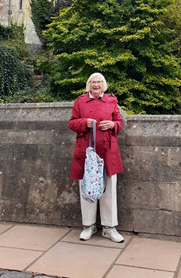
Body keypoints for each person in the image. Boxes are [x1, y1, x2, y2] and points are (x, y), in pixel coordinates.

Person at [69, 72, 124, 243]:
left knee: (109, 188)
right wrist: (83, 123)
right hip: (87, 151)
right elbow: (72, 123)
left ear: (103, 85)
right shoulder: (80, 102)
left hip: (107, 150)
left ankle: (109, 227)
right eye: (93, 82)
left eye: (99, 82)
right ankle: (89, 225)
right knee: (87, 187)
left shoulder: (112, 101)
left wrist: (113, 125)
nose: (96, 85)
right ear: (88, 85)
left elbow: (120, 122)